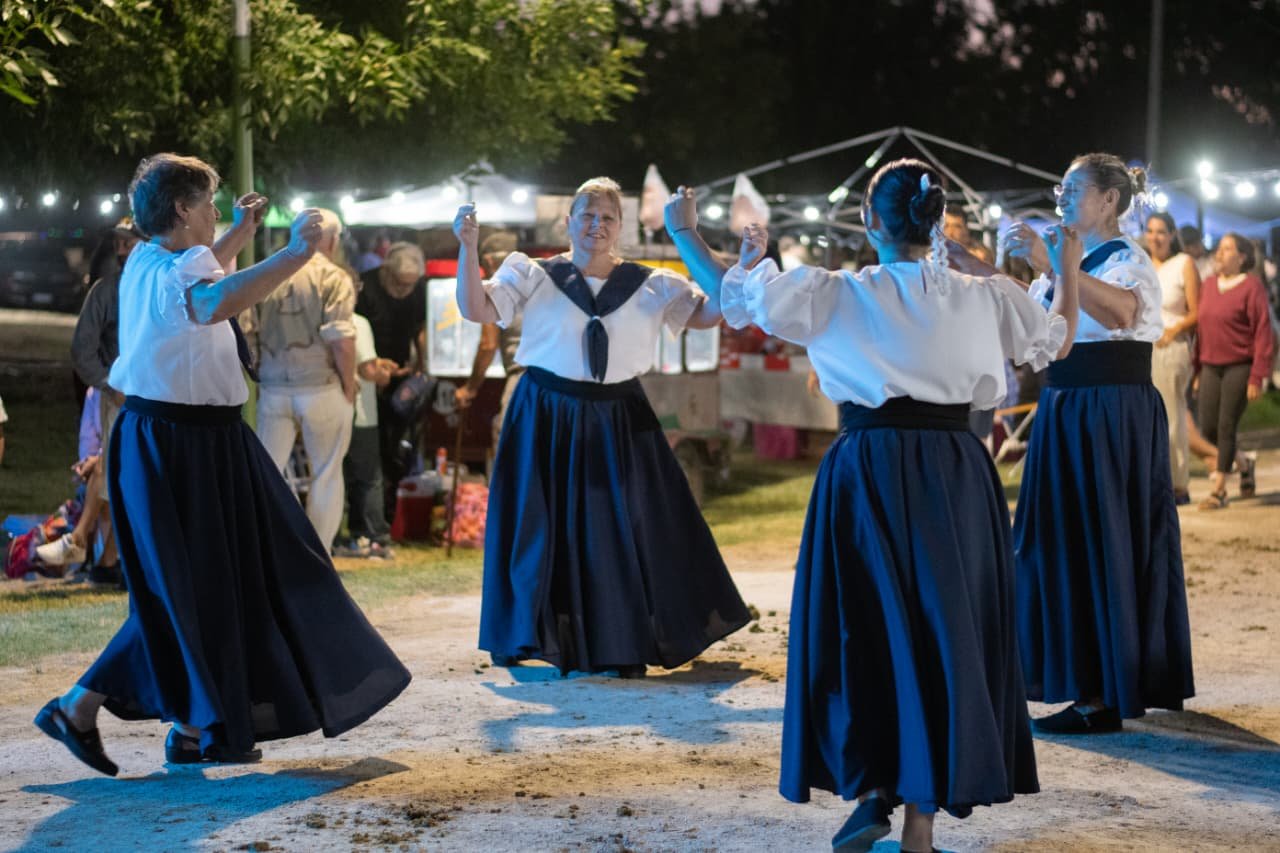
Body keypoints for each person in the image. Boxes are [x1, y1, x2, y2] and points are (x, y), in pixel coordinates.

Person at [702, 159, 1070, 853]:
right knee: (942, 633)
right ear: (936, 223)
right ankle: (919, 824)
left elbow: (747, 305)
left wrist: (753, 259)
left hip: (866, 469)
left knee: (866, 627)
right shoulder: (985, 295)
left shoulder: (838, 290)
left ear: (870, 222)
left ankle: (874, 786)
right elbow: (1053, 336)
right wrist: (1064, 269)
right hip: (954, 474)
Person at [34, 153, 410, 778]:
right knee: (189, 590)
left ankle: (191, 726)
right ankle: (96, 708)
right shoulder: (163, 272)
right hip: (172, 444)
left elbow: (209, 268)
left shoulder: (165, 259)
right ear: (181, 210)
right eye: (208, 204)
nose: (215, 214)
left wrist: (242, 228)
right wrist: (294, 253)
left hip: (209, 438)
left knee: (229, 578)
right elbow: (210, 300)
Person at [452, 177, 749, 679]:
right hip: (545, 412)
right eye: (587, 215)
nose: (597, 224)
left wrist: (694, 238)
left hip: (619, 414)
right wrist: (467, 247)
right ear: (568, 222)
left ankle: (620, 639)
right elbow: (475, 307)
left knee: (626, 527)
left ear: (620, 227)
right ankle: (541, 635)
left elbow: (715, 312)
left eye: (607, 217)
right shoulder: (533, 273)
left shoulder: (652, 283)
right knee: (541, 527)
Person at [996, 153, 1194, 735]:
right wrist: (983, 271)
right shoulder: (1066, 264)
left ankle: (1105, 692)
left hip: (1110, 413)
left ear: (1109, 200)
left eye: (1074, 188)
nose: (1061, 195)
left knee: (1106, 540)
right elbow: (1041, 332)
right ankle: (1077, 678)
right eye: (1060, 186)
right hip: (1066, 409)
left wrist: (1057, 267)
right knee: (1058, 543)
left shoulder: (1128, 261)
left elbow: (1121, 313)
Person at [241, 208, 357, 549]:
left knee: (267, 476)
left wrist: (259, 371)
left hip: (275, 386)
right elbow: (342, 340)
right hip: (321, 384)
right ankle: (319, 554)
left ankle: (263, 548)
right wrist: (349, 384)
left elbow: (247, 331)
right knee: (326, 474)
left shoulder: (267, 274)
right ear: (332, 241)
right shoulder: (335, 277)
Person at [69, 216, 143, 584]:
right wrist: (109, 385)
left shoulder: (157, 285)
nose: (122, 249)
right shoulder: (106, 291)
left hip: (156, 397)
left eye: (129, 242)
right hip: (121, 398)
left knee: (132, 477)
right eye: (119, 242)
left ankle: (107, 558)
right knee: (117, 474)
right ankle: (93, 549)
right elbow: (82, 351)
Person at [1194, 232, 1275, 508]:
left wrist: (1258, 375)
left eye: (1227, 249)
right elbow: (1201, 331)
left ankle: (1219, 490)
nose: (1219, 252)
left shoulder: (1252, 287)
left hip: (1240, 365)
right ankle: (1243, 463)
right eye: (1219, 248)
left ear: (1241, 257)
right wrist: (1196, 371)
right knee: (1208, 428)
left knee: (1227, 425)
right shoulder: (1208, 285)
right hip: (1209, 365)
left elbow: (1263, 333)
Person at [356, 242, 428, 520]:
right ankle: (370, 511)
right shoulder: (366, 286)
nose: (404, 291)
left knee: (399, 443)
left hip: (402, 376)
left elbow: (421, 329)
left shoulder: (419, 290)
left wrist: (422, 364)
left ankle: (394, 507)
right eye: (399, 284)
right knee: (371, 443)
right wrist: (373, 369)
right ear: (385, 271)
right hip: (368, 371)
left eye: (410, 286)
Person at [336, 279, 399, 559]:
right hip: (361, 411)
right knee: (369, 476)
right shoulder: (358, 322)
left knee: (336, 474)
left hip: (331, 408)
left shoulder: (324, 319)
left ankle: (338, 535)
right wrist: (384, 373)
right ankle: (375, 535)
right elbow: (367, 369)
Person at [1144, 211, 1200, 505]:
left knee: (1171, 415)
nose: (1155, 237)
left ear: (1172, 234)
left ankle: (1178, 484)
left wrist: (1174, 329)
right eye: (1150, 231)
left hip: (1170, 347)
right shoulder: (1142, 266)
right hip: (1143, 349)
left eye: (1161, 231)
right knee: (1149, 418)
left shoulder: (1183, 264)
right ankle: (1157, 481)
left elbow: (1197, 311)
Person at [454, 232, 525, 450]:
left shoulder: (498, 287)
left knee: (509, 445)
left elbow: (488, 345)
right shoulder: (536, 281)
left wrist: (470, 388)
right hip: (556, 379)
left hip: (523, 378)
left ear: (489, 261)